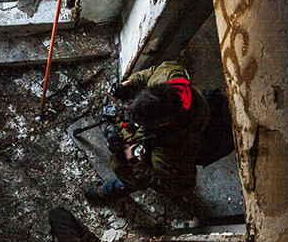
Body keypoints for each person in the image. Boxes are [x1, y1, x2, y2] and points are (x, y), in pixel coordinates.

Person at [85, 60, 211, 205]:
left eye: (141, 124)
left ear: (162, 124)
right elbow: (151, 72)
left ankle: (122, 186)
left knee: (129, 173)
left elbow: (179, 188)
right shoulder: (167, 76)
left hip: (158, 152)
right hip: (162, 129)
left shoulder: (173, 152)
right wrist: (132, 83)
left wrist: (137, 165)